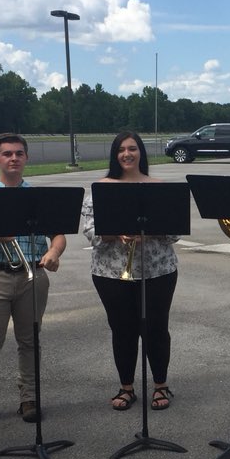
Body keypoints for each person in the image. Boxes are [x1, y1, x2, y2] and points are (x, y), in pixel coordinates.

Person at [0, 133, 67, 429]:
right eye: (7, 154)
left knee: (30, 341)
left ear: (26, 158)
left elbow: (58, 234)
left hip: (33, 275)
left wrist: (54, 253)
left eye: (19, 153)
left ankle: (30, 398)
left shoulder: (37, 196)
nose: (14, 158)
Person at [81, 131, 179, 411]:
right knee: (122, 329)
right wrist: (115, 233)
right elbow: (90, 231)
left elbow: (174, 232)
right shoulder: (100, 188)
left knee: (156, 328)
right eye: (121, 149)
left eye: (133, 148)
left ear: (141, 153)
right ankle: (126, 387)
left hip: (158, 271)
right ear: (115, 154)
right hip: (111, 273)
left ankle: (161, 386)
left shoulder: (158, 187)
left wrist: (151, 231)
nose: (127, 154)